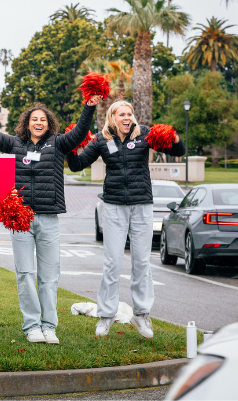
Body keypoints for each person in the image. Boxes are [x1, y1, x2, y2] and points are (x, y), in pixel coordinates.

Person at [0, 93, 100, 345]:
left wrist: (88, 108)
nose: (38, 123)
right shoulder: (14, 144)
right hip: (20, 220)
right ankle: (32, 326)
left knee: (49, 276)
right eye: (34, 119)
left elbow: (80, 132)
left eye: (43, 120)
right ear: (26, 123)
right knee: (25, 273)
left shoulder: (59, 143)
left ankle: (49, 326)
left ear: (49, 124)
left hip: (49, 218)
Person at [66, 101, 185, 339]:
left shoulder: (145, 135)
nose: (127, 117)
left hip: (142, 205)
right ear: (113, 117)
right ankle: (106, 316)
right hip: (113, 206)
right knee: (112, 263)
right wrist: (71, 145)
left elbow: (178, 152)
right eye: (122, 114)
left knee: (141, 262)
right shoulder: (101, 140)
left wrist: (174, 136)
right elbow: (77, 165)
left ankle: (141, 314)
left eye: (130, 113)